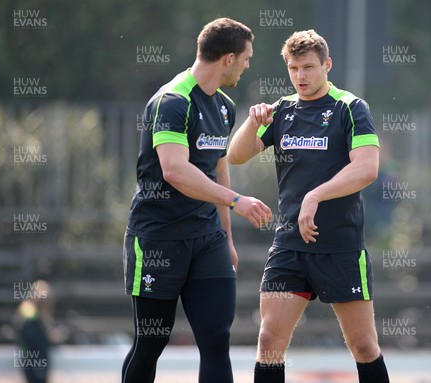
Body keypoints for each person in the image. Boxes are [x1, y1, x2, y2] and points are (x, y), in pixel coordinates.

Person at [228, 30, 391, 383]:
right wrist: (252, 122)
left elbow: (366, 168)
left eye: (309, 67)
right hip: (289, 246)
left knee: (363, 346)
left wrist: (314, 196)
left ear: (327, 65)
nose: (300, 76)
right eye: (293, 68)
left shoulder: (350, 108)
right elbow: (237, 156)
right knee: (269, 340)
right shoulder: (282, 111)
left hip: (340, 247)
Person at [122, 17, 272, 383]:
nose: (248, 65)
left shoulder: (224, 106)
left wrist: (227, 237)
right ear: (228, 59)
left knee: (216, 339)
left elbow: (219, 169)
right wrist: (238, 201)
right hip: (159, 238)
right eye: (246, 58)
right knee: (151, 342)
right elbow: (175, 170)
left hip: (207, 240)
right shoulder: (173, 101)